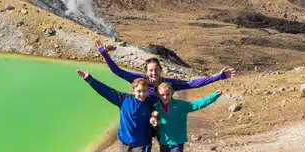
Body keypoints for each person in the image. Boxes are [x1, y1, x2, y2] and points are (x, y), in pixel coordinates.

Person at [77, 72, 157, 152]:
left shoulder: (149, 105)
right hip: (125, 143)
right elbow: (106, 91)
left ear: (147, 91)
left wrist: (154, 126)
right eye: (139, 91)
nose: (141, 94)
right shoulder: (123, 99)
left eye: (144, 91)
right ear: (133, 90)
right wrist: (89, 79)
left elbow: (153, 125)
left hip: (141, 145)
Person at [94, 41, 234, 97]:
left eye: (155, 70)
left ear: (160, 70)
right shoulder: (139, 80)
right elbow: (117, 71)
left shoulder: (168, 83)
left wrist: (219, 76)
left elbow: (193, 84)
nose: (153, 73)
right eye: (150, 71)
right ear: (146, 72)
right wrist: (104, 53)